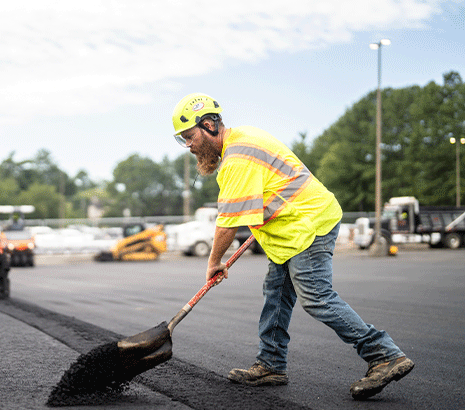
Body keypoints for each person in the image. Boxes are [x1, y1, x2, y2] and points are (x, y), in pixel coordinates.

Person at [171, 93, 414, 400]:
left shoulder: (237, 159)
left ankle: (384, 353)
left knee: (315, 296)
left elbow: (228, 222)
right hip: (291, 231)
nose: (188, 146)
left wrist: (213, 263)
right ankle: (271, 364)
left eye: (189, 137)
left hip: (308, 224)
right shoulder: (244, 138)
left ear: (208, 125)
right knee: (276, 292)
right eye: (182, 140)